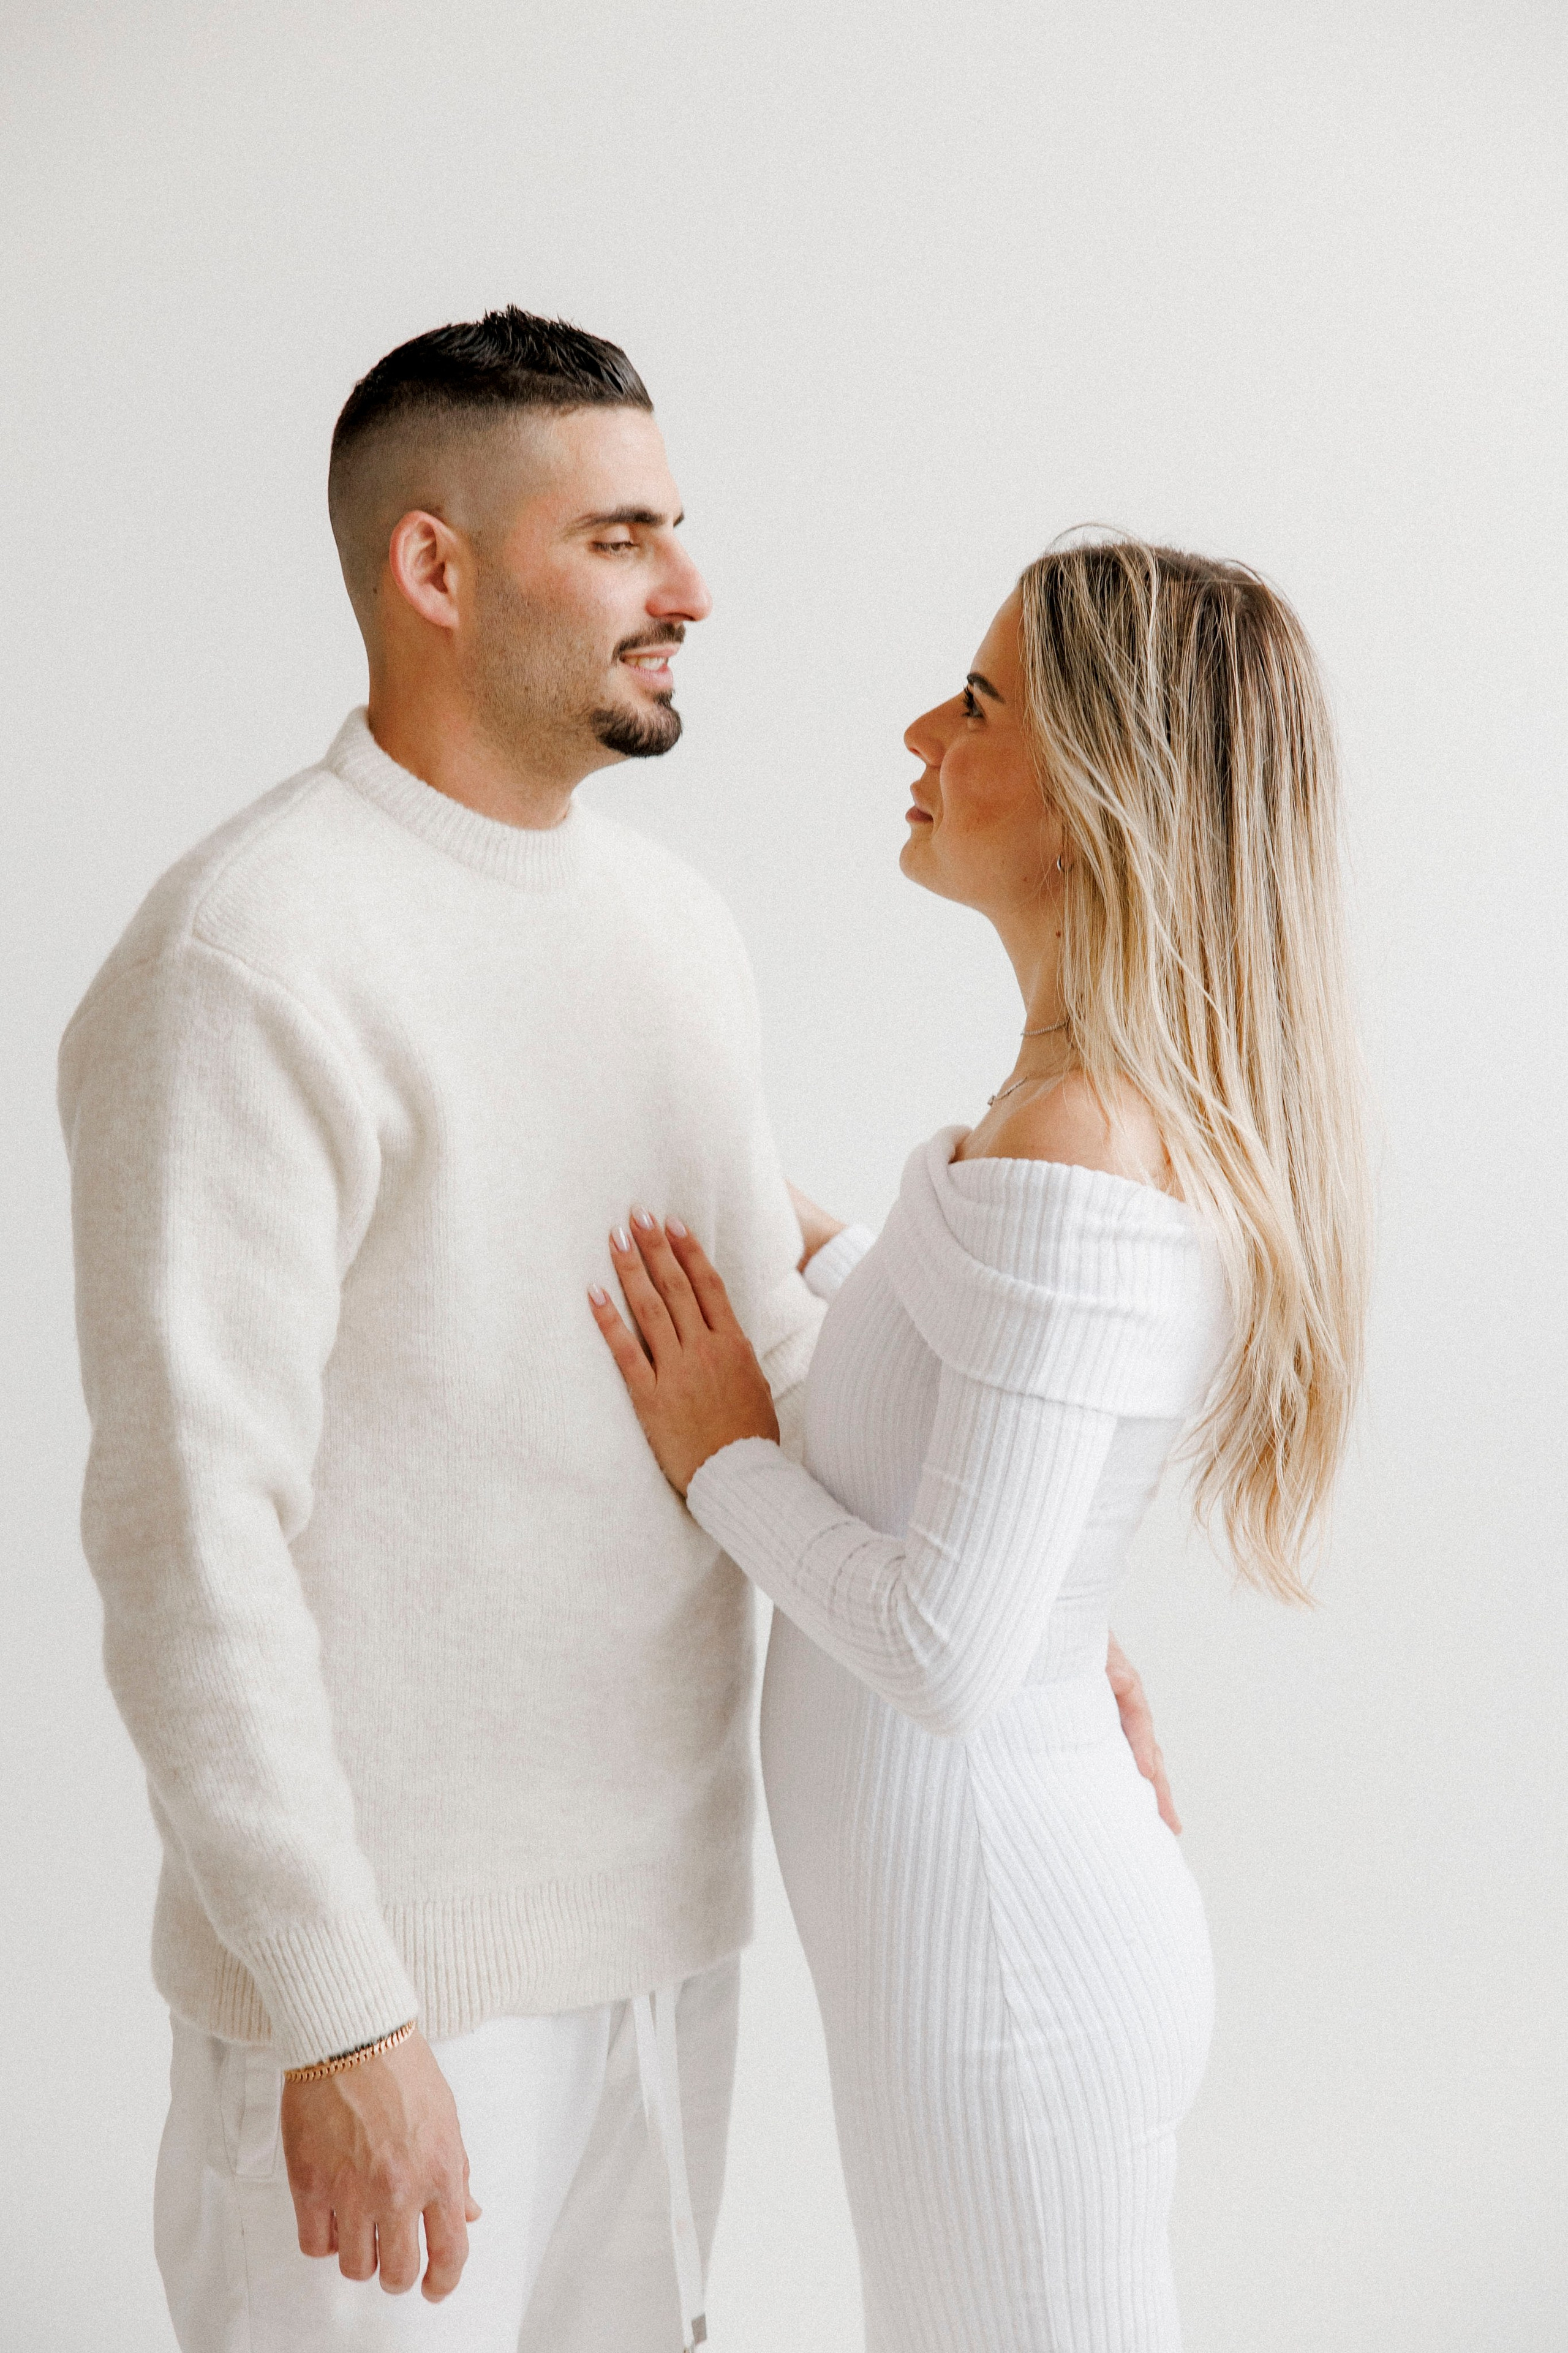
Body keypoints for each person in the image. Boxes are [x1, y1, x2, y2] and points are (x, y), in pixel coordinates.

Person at [58, 312, 1170, 2353]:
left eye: (684, 530)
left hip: (671, 1957)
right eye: (626, 537)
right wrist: (342, 2008)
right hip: (399, 1999)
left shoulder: (668, 928)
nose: (695, 590)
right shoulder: (248, 960)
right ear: (435, 569)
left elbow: (760, 1349)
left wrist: (1047, 1605)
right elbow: (183, 1531)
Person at [593, 539, 1371, 2351]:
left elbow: (947, 1644)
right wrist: (724, 1178)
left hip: (1005, 1965)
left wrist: (723, 1456)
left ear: (1105, 793)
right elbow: (938, 1344)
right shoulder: (1064, 1118)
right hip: (984, 1948)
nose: (919, 729)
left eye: (979, 701)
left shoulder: (1084, 1137)